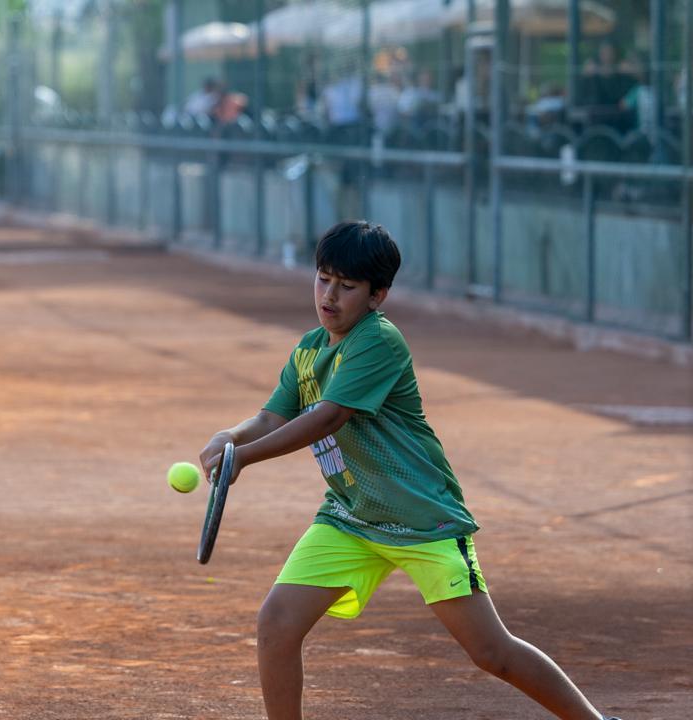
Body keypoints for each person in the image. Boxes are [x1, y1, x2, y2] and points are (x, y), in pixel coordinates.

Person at [197, 222, 621, 720]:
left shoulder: (378, 341)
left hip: (422, 520)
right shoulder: (310, 348)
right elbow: (272, 415)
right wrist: (232, 436)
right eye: (323, 279)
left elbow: (329, 416)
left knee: (492, 654)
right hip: (351, 518)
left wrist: (244, 458)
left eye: (347, 286)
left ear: (378, 295)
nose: (329, 295)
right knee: (277, 624)